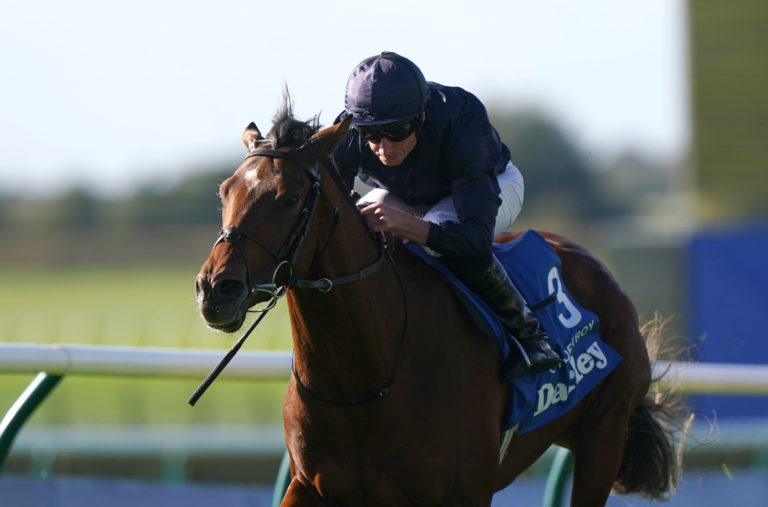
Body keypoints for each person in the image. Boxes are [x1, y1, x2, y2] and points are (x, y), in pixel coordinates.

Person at [331, 51, 561, 381]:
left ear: (421, 116)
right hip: (409, 194)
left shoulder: (462, 119)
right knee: (358, 231)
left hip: (489, 186)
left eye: (395, 132)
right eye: (371, 135)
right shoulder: (351, 131)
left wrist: (404, 223)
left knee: (440, 240)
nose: (382, 147)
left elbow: (473, 241)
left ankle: (529, 335)